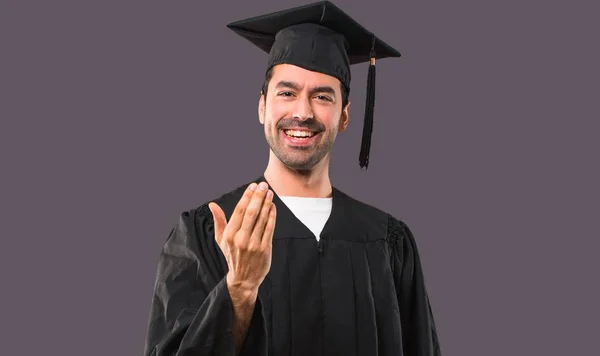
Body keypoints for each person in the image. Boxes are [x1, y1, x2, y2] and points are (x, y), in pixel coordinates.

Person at [142, 1, 441, 355]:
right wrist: (238, 288)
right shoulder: (207, 231)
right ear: (262, 107)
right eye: (287, 92)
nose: (303, 112)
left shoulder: (388, 241)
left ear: (344, 116)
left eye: (322, 96)